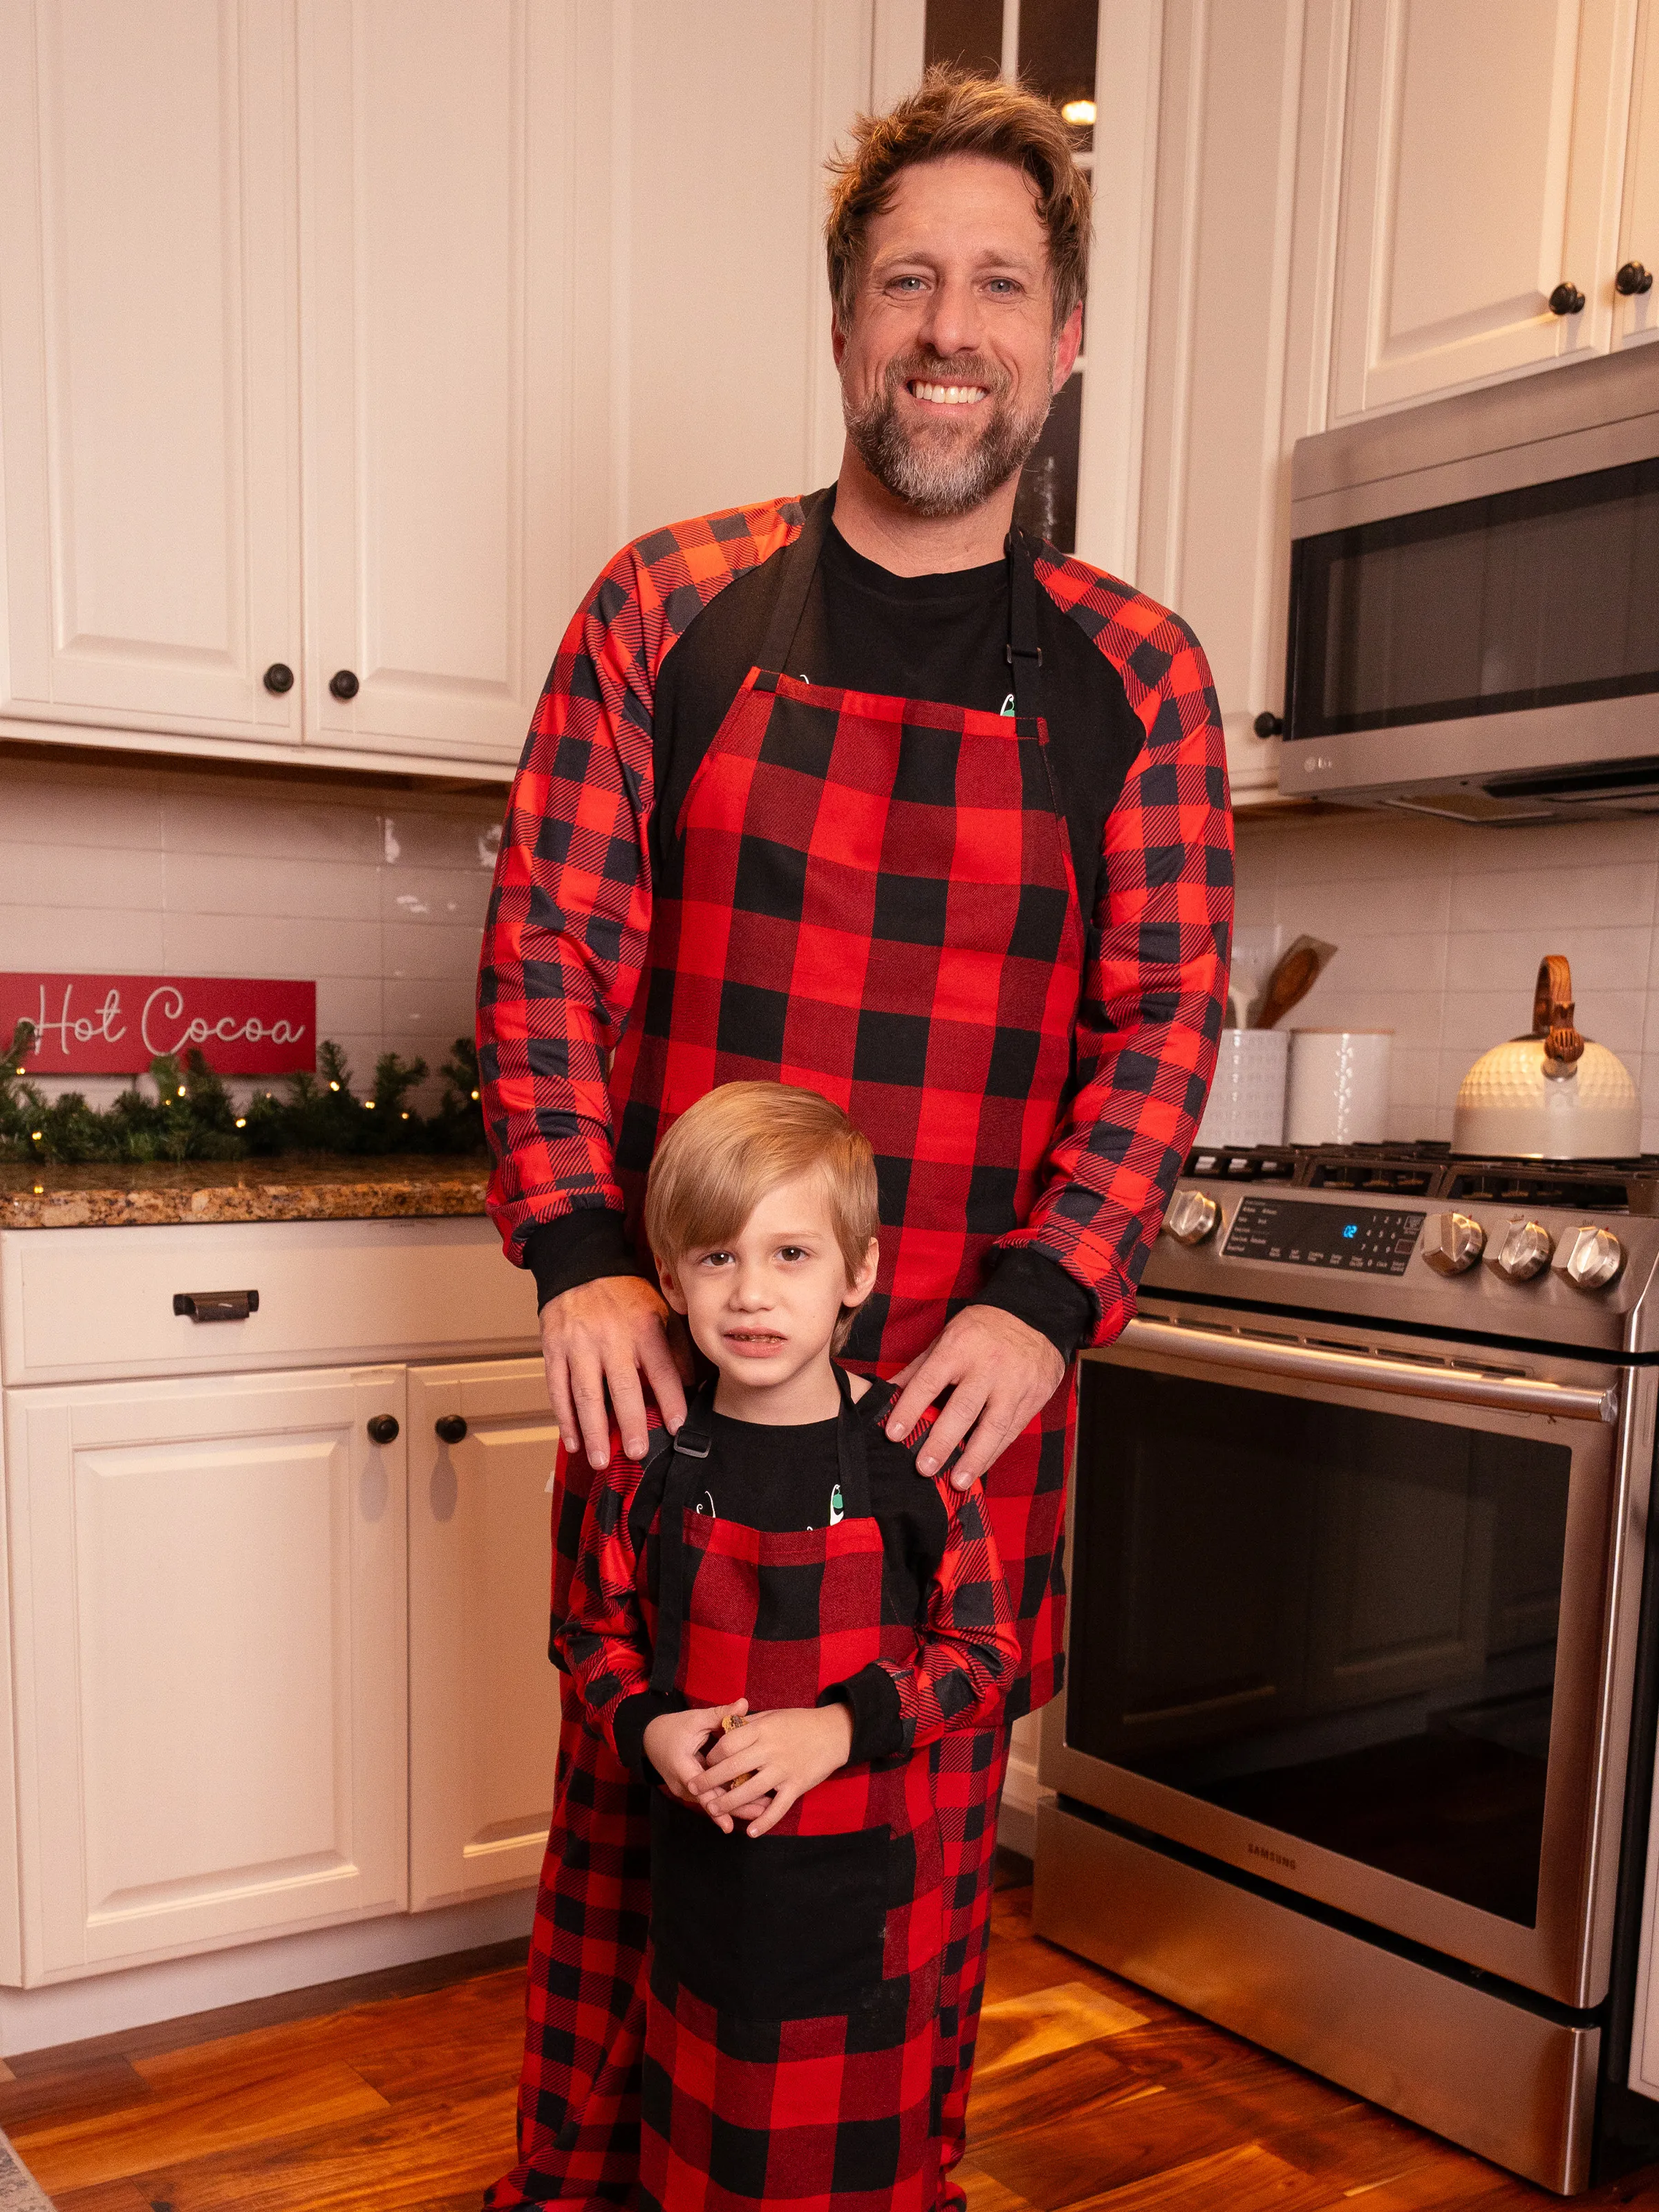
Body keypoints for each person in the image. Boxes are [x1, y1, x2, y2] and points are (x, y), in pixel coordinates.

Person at [478, 63, 1232, 2210]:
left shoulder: (1139, 680)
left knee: (882, 1892)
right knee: (637, 1833)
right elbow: (548, 949)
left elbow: (1165, 1018)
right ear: (839, 326)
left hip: (960, 1415)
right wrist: (584, 1251)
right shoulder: (666, 604)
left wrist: (1045, 1300)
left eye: (1001, 283)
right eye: (908, 278)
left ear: (1062, 340)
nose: (950, 325)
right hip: (678, 1372)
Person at [556, 1081, 1019, 2211]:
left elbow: (986, 1655)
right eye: (715, 1258)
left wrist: (839, 1728)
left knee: (850, 2160)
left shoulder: (917, 1458)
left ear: (859, 1274)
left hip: (867, 1899)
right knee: (706, 2136)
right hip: (704, 1885)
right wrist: (654, 1724)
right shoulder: (647, 1462)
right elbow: (589, 1636)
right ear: (667, 1279)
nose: (751, 1293)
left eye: (792, 1255)